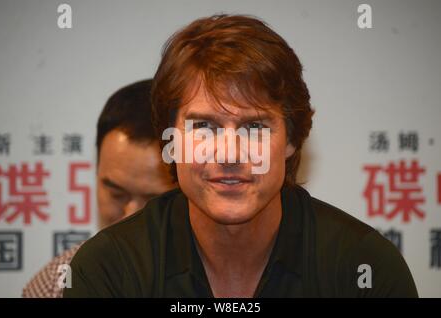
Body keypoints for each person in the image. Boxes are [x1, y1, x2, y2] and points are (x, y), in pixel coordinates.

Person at [64, 15, 418, 298]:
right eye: (204, 126)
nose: (230, 153)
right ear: (170, 141)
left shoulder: (364, 266)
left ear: (292, 139)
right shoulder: (109, 269)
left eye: (254, 127)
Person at [22, 79, 175, 297]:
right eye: (117, 194)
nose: (130, 215)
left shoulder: (223, 278)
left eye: (154, 201)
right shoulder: (55, 284)